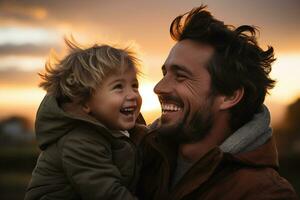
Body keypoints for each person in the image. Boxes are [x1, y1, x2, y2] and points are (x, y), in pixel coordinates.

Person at [137, 5, 298, 200]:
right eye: (165, 73)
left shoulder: (263, 193)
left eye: (180, 76)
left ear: (230, 96)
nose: (159, 88)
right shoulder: (138, 156)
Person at [25, 38, 146, 200]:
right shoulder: (80, 141)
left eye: (135, 85)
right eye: (118, 87)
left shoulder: (116, 131)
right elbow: (107, 193)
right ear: (85, 102)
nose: (132, 94)